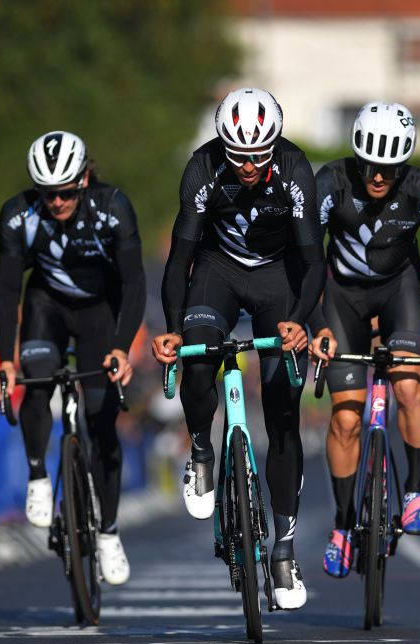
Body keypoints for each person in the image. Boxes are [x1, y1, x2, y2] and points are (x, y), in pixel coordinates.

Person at [151, 88, 325, 610]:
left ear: (274, 146)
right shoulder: (202, 169)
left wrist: (299, 323)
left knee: (283, 409)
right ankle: (202, 450)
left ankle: (284, 550)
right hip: (217, 273)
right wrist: (172, 329)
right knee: (199, 356)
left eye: (257, 155)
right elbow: (180, 258)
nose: (247, 166)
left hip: (278, 279)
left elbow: (314, 261)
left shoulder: (295, 170)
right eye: (237, 155)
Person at [306, 102, 420, 579]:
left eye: (389, 168)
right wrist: (317, 326)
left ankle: (415, 489)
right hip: (341, 298)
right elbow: (305, 261)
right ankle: (343, 524)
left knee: (410, 387)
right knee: (346, 419)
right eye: (371, 166)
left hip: (400, 293)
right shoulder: (329, 184)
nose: (378, 176)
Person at [0, 131, 145, 586]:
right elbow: (4, 289)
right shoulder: (19, 216)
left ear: (83, 179)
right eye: (47, 193)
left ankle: (109, 532)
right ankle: (38, 474)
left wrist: (122, 345)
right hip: (47, 307)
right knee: (36, 377)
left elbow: (135, 284)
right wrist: (5, 356)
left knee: (103, 422)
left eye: (64, 192)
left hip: (100, 312)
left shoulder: (112, 207)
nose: (56, 202)